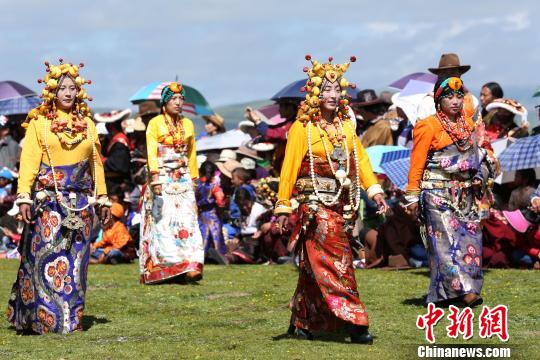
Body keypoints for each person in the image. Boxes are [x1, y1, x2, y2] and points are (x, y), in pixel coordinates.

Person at [275, 55, 389, 344]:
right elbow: (288, 169)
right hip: (314, 206)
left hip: (340, 205)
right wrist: (283, 205)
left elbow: (360, 161)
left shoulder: (346, 128)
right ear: (315, 93)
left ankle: (304, 321)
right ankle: (355, 322)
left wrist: (375, 191)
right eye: (327, 89)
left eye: (338, 90)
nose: (333, 95)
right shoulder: (303, 128)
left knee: (315, 268)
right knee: (335, 263)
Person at [6, 60, 111, 334]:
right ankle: (41, 320)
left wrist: (102, 197)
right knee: (42, 259)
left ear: (79, 92)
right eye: (62, 87)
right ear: (52, 91)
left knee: (76, 262)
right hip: (48, 203)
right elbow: (28, 163)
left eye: (72, 87)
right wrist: (24, 197)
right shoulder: (39, 124)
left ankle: (71, 321)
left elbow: (96, 164)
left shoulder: (87, 124)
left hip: (80, 205)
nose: (68, 92)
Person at [404, 76, 499, 308]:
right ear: (438, 100)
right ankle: (465, 292)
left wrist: (479, 176)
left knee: (469, 239)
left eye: (459, 96)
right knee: (445, 244)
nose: (455, 101)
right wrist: (412, 196)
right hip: (436, 191)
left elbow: (484, 157)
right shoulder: (427, 125)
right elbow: (417, 164)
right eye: (448, 97)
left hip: (465, 192)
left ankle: (453, 292)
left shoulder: (470, 124)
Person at [139, 82, 204, 284]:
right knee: (164, 222)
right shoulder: (155, 123)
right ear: (164, 102)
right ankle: (169, 266)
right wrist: (155, 178)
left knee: (188, 220)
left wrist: (194, 177)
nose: (178, 103)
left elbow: (192, 152)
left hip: (183, 178)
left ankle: (192, 263)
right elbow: (151, 152)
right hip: (163, 177)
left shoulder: (188, 124)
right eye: (173, 99)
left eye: (181, 99)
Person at [94, 109, 132, 193]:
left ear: (112, 126)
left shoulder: (119, 142)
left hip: (117, 184)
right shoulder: (114, 139)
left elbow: (118, 165)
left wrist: (100, 159)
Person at [195, 161, 227, 259]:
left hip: (201, 215)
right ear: (214, 173)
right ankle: (218, 254)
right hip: (213, 214)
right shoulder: (214, 187)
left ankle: (202, 256)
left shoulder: (196, 185)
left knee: (203, 234)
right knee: (215, 235)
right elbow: (221, 201)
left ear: (200, 171)